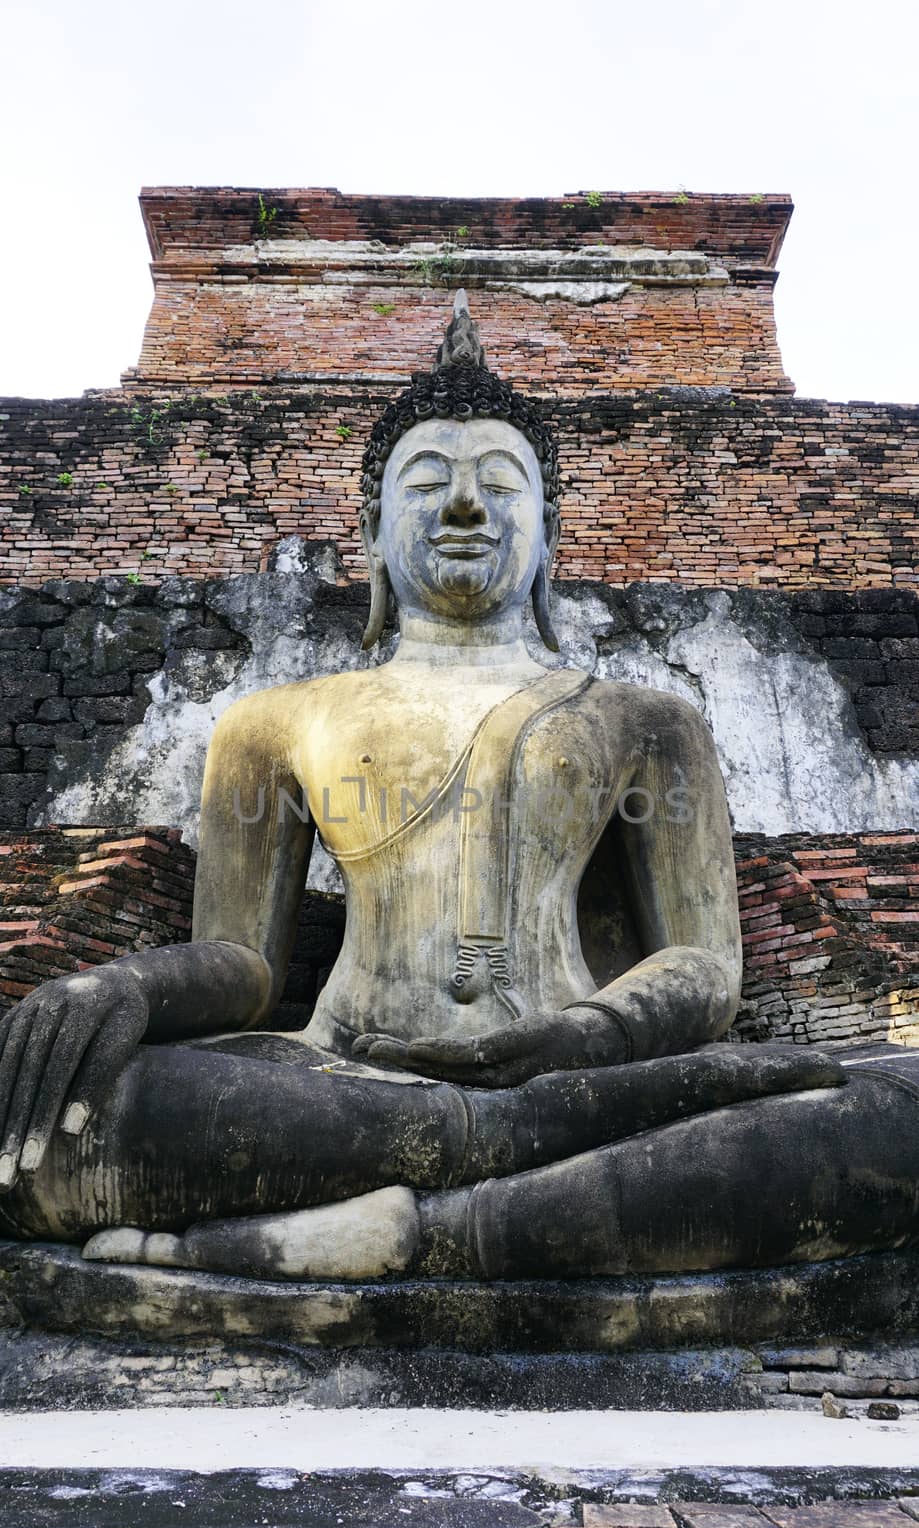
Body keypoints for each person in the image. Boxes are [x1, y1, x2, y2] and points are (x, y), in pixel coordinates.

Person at [0, 295, 915, 1283]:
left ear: (548, 526)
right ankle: (499, 1188)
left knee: (898, 1108)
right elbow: (245, 960)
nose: (466, 507)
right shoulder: (275, 721)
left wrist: (581, 1035)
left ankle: (389, 1234)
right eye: (426, 482)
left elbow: (700, 962)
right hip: (340, 1083)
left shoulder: (646, 719)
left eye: (500, 483)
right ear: (373, 528)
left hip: (586, 1077)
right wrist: (124, 984)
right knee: (35, 1120)